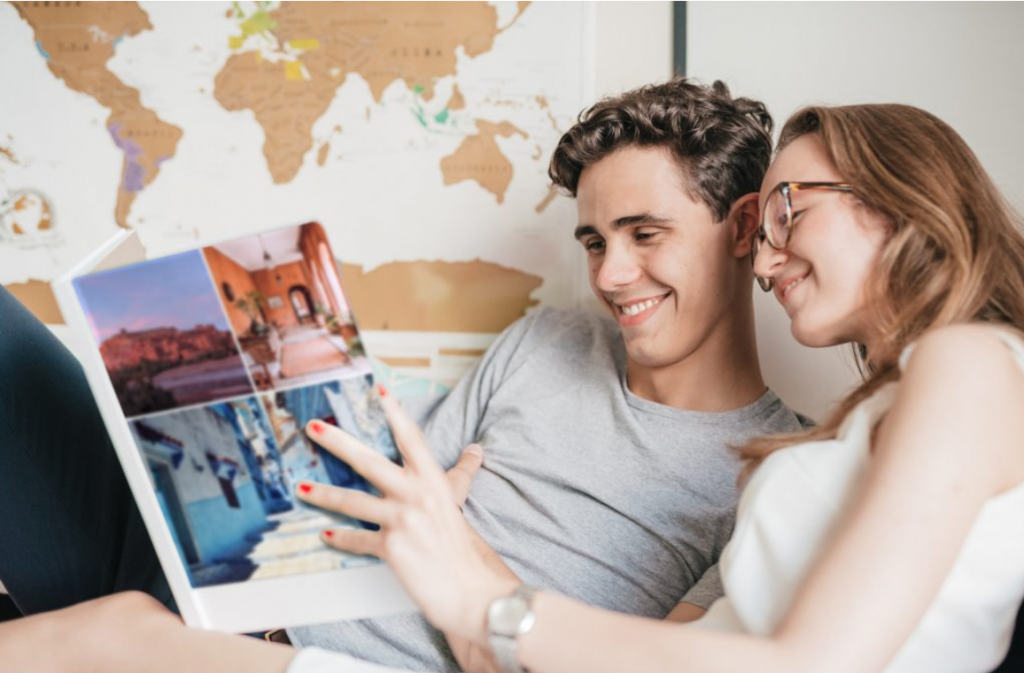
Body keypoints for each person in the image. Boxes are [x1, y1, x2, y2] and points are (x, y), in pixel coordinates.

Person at [0, 78, 803, 671]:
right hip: (249, 581)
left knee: (114, 628)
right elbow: (390, 492)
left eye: (644, 233)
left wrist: (452, 554)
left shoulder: (775, 468)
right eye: (595, 241)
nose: (612, 274)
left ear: (740, 229)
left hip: (307, 656)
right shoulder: (548, 339)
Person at [288, 102, 1024, 672]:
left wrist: (484, 599)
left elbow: (814, 663)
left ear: (897, 192)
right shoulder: (885, 406)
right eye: (596, 243)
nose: (767, 266)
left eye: (785, 212)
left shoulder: (967, 361)